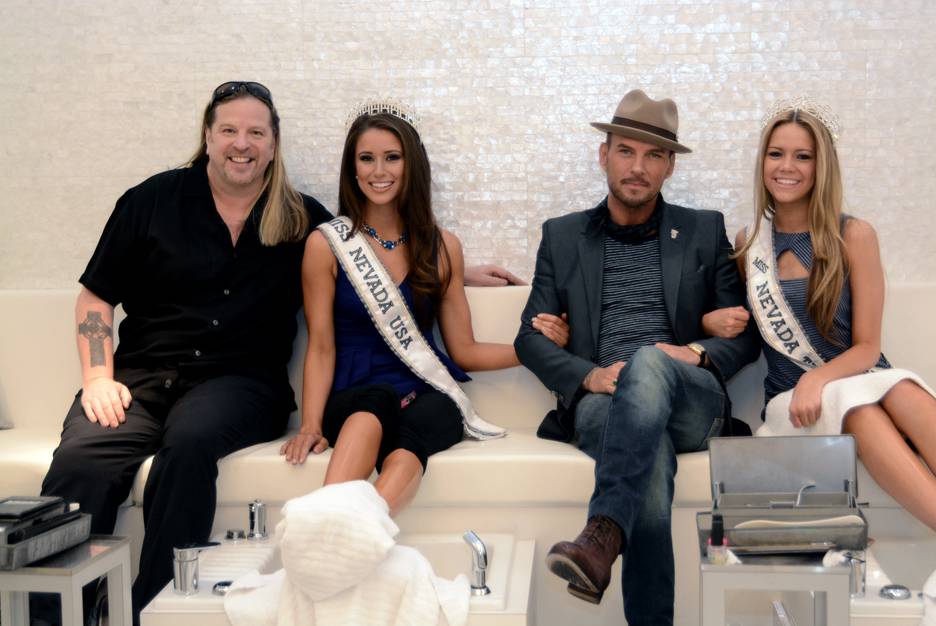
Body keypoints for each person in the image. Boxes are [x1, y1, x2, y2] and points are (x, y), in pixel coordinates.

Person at [36, 81, 332, 620]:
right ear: (208, 135)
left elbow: (369, 269)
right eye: (229, 131)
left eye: (255, 133)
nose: (241, 144)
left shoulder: (302, 217)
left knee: (190, 445)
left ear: (273, 143)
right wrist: (98, 379)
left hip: (241, 384)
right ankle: (61, 615)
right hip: (140, 378)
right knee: (82, 461)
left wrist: (451, 272)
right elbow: (96, 297)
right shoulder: (152, 200)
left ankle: (151, 609)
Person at [514, 89, 760, 625]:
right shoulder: (562, 236)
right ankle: (610, 562)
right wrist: (590, 375)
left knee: (649, 361)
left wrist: (694, 349)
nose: (638, 167)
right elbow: (528, 339)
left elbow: (744, 337)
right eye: (626, 151)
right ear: (604, 155)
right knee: (648, 464)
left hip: (690, 401)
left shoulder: (702, 230)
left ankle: (601, 530)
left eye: (653, 156)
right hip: (605, 402)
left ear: (669, 166)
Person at [279, 100, 566, 515]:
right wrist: (310, 425)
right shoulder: (326, 246)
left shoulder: (442, 247)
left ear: (411, 164)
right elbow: (321, 347)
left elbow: (464, 350)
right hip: (355, 395)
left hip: (423, 392)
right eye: (367, 158)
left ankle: (356, 531)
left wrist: (539, 348)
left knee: (420, 430)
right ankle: (325, 518)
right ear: (352, 168)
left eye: (392, 158)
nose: (379, 171)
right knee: (372, 404)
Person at [702, 96, 936, 531]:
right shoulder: (748, 243)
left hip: (850, 379)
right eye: (776, 154)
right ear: (763, 162)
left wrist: (818, 377)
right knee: (860, 409)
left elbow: (868, 347)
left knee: (902, 387)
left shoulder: (854, 235)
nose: (786, 166)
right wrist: (709, 322)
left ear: (820, 166)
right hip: (792, 405)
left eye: (802, 156)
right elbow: (729, 323)